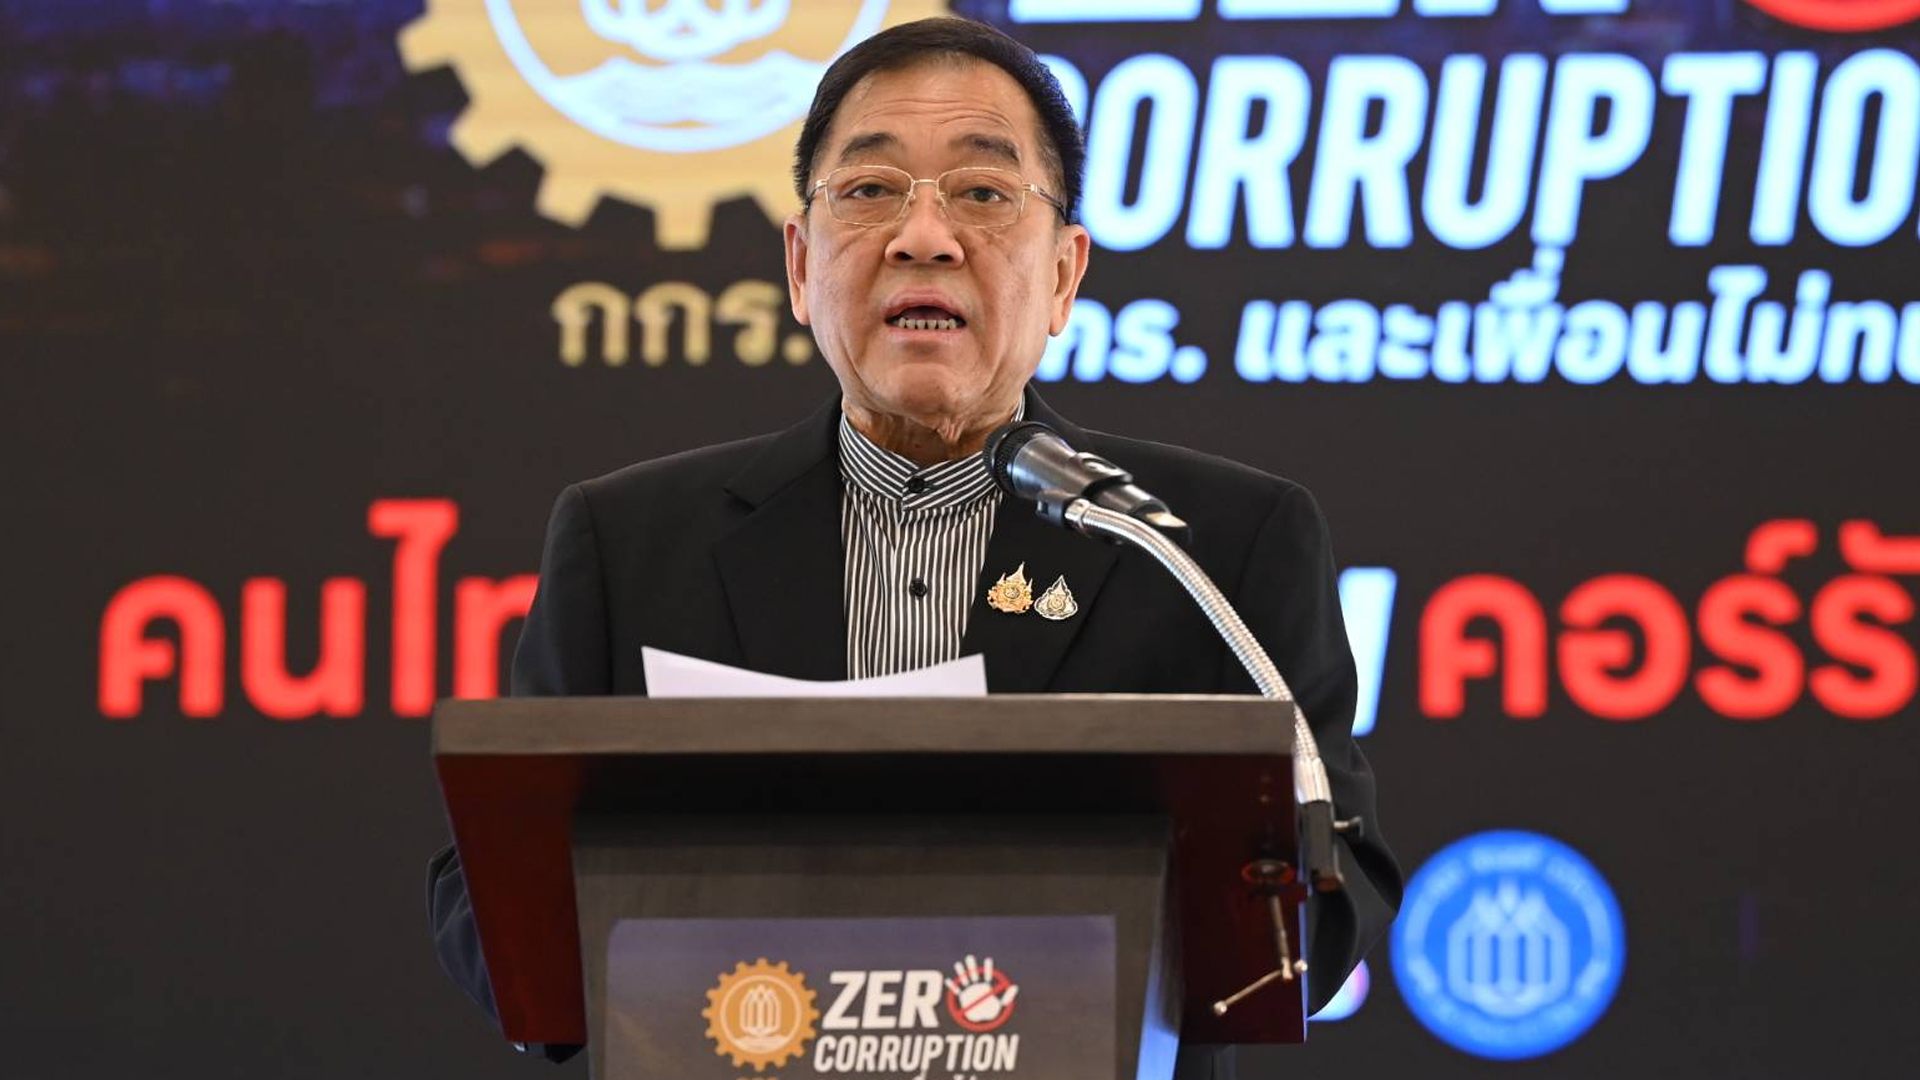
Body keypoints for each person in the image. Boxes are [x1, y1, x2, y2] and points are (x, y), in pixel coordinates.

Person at [428, 16, 1401, 1078]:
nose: (923, 236)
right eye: (869, 189)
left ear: (1065, 273)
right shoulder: (629, 546)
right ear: (801, 265)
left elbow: (1327, 906)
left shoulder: (1210, 545)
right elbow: (490, 910)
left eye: (983, 192)